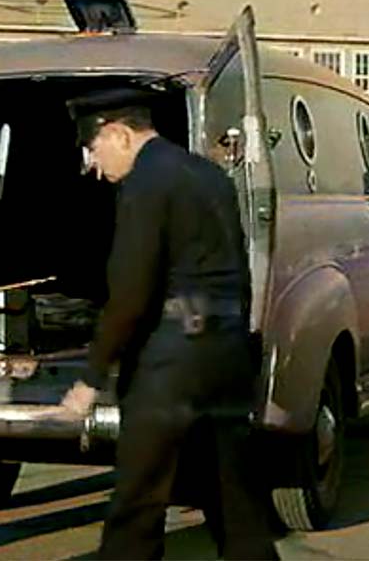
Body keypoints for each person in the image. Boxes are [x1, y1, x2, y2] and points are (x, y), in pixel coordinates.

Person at [58, 88, 279, 560]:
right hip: (226, 351)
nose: (92, 164)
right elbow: (240, 269)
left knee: (138, 498)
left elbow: (131, 294)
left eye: (93, 149)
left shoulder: (144, 184)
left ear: (119, 134)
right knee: (233, 497)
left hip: (170, 360)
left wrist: (92, 376)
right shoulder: (209, 174)